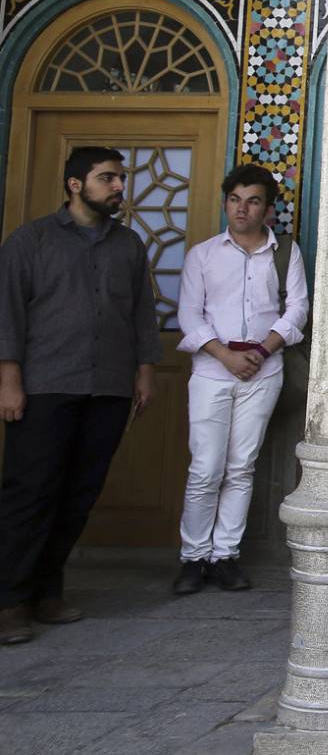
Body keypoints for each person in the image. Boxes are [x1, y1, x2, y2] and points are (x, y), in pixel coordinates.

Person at [0, 147, 158, 646]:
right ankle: (9, 602)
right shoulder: (31, 241)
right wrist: (9, 381)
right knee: (30, 494)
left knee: (79, 495)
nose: (118, 186)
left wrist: (145, 372)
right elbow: (8, 316)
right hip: (45, 386)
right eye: (107, 178)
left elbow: (141, 313)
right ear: (75, 184)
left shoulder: (128, 245)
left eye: (120, 178)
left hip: (108, 386)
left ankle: (49, 591)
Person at [172, 164, 310, 596]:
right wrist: (225, 356)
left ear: (268, 209)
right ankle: (193, 558)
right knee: (204, 468)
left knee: (240, 467)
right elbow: (189, 315)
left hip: (263, 369)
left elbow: (297, 311)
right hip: (213, 370)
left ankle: (224, 555)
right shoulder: (204, 254)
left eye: (252, 201)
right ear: (225, 202)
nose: (242, 209)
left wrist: (262, 351)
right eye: (235, 200)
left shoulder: (285, 252)